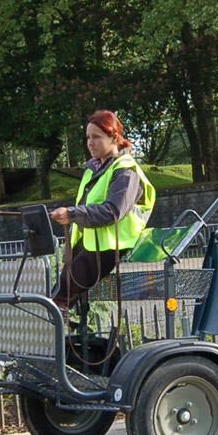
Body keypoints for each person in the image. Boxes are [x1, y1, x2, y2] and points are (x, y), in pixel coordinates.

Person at [49, 109, 156, 313]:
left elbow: (113, 212)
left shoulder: (125, 170)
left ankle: (58, 338)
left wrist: (72, 214)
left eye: (96, 137)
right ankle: (66, 338)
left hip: (111, 246)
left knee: (59, 301)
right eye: (88, 137)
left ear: (114, 137)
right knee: (58, 297)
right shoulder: (94, 169)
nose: (90, 143)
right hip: (90, 245)